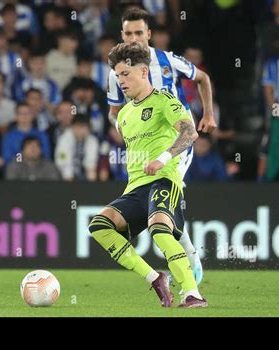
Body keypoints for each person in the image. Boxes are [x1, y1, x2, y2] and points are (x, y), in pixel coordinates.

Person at [89, 42, 207, 308]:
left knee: (159, 228)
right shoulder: (126, 115)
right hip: (135, 190)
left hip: (164, 180)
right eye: (118, 75)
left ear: (144, 72)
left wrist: (162, 158)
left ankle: (193, 293)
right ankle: (155, 278)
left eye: (126, 74)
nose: (121, 81)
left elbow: (190, 133)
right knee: (98, 225)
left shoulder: (165, 100)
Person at [107, 7, 215, 285]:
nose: (134, 38)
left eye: (139, 33)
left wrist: (208, 113)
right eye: (128, 33)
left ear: (149, 34)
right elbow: (113, 110)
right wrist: (122, 127)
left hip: (176, 138)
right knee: (156, 194)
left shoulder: (167, 60)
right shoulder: (116, 73)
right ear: (122, 35)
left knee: (169, 183)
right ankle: (185, 254)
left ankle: (190, 258)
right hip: (143, 143)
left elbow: (202, 78)